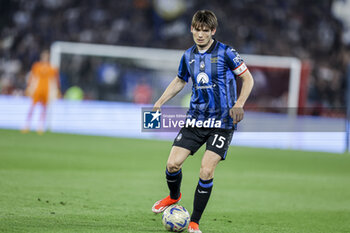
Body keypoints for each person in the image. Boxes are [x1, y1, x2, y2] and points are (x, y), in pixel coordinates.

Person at [151, 10, 254, 233]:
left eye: (205, 31)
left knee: (206, 171)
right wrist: (160, 101)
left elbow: (247, 78)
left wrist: (239, 103)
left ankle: (194, 223)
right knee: (172, 165)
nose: (200, 35)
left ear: (213, 31)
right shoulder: (188, 55)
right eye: (197, 30)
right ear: (192, 29)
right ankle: (174, 196)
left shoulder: (226, 53)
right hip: (196, 120)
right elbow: (180, 80)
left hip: (223, 123)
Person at [22, 50, 60, 134]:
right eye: (44, 56)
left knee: (44, 109)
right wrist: (29, 88)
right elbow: (32, 78)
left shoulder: (52, 68)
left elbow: (54, 81)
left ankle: (40, 126)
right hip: (37, 90)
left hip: (46, 91)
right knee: (32, 107)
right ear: (41, 57)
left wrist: (55, 91)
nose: (45, 58)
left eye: (46, 56)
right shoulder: (36, 66)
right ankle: (27, 125)